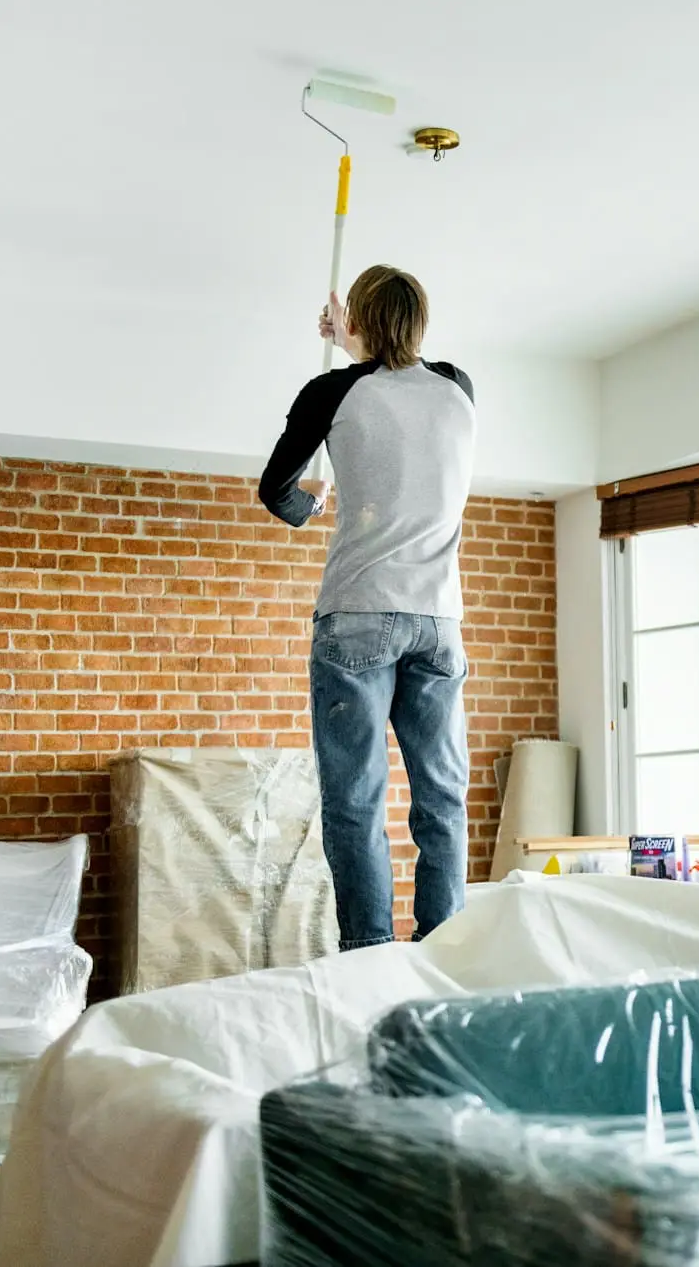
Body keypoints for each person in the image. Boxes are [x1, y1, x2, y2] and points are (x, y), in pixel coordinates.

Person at [258, 264, 477, 949]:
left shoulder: (332, 390)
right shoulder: (458, 388)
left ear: (358, 320)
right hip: (439, 621)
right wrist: (357, 338)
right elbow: (399, 390)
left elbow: (276, 490)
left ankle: (370, 957)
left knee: (356, 802)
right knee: (441, 802)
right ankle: (445, 952)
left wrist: (309, 505)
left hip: (358, 614)